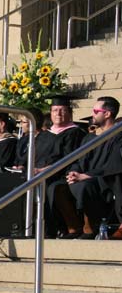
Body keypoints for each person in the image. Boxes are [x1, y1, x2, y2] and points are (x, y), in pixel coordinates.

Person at [53, 97, 122, 238]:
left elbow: (113, 165)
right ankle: (74, 227)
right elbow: (79, 159)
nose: (93, 114)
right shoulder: (90, 137)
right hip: (84, 176)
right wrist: (74, 171)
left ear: (107, 114)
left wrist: (86, 176)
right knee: (56, 188)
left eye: (96, 111)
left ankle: (90, 227)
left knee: (83, 186)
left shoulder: (118, 137)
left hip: (103, 179)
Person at [44, 95, 88, 236]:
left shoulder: (75, 133)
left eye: (62, 110)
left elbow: (69, 158)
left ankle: (71, 226)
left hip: (63, 174)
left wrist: (45, 170)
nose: (58, 113)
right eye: (55, 110)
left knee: (54, 187)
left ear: (70, 113)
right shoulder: (45, 135)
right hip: (42, 174)